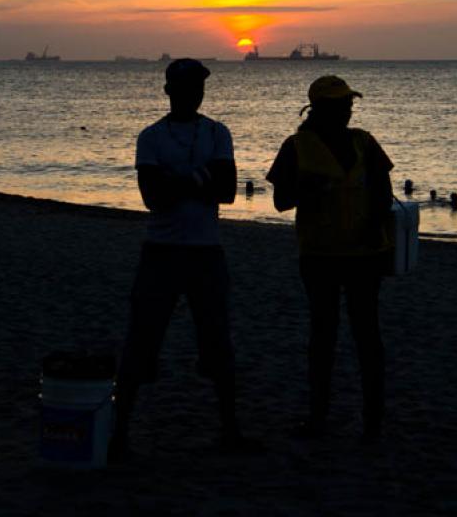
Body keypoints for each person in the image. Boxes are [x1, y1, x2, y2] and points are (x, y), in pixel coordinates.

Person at [109, 58, 258, 460]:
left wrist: (179, 182)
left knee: (217, 341)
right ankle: (119, 434)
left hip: (206, 252)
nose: (193, 93)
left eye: (198, 87)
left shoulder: (217, 132)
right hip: (161, 252)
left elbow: (227, 190)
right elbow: (153, 199)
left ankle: (229, 431)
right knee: (141, 341)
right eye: (186, 86)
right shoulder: (151, 137)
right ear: (169, 90)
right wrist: (199, 178)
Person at [266, 75, 393, 443]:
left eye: (349, 104)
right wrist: (308, 190)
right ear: (319, 109)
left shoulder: (365, 143)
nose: (348, 110)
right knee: (324, 336)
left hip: (365, 254)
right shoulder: (296, 147)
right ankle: (319, 417)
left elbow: (383, 192)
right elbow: (280, 201)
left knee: (367, 335)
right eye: (340, 105)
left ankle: (373, 421)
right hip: (320, 254)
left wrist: (375, 226)